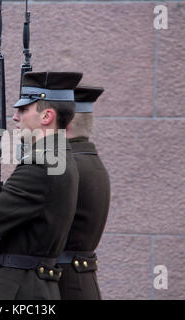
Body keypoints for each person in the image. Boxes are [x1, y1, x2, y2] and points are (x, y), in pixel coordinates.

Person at [0, 71, 82, 300]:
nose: (16, 117)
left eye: (23, 110)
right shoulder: (60, 157)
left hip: (18, 291)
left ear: (46, 116)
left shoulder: (41, 163)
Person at [57, 85, 111, 300]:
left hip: (64, 286)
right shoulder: (91, 162)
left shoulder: (67, 167)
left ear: (66, 124)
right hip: (81, 281)